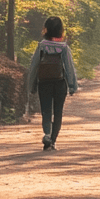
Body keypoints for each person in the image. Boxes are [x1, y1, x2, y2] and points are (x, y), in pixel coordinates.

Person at [27, 16, 78, 150]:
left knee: (46, 111)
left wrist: (31, 85)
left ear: (46, 30)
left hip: (44, 83)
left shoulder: (41, 46)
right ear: (60, 30)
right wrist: (72, 86)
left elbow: (34, 67)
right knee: (58, 111)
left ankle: (47, 134)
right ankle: (53, 140)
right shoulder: (64, 48)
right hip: (60, 83)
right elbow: (69, 68)